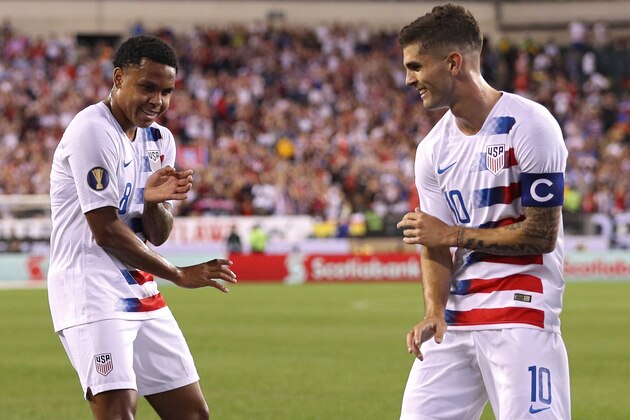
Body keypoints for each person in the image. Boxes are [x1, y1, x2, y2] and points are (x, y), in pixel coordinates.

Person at [48, 35, 237, 420]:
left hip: (139, 286)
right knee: (118, 413)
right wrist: (178, 274)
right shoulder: (92, 131)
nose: (158, 100)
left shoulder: (159, 139)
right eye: (147, 87)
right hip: (91, 290)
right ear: (118, 78)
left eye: (166, 91)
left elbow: (158, 233)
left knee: (192, 414)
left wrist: (153, 203)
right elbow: (105, 229)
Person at [395, 4, 570, 419]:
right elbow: (431, 242)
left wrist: (453, 235)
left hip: (520, 313)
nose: (408, 79)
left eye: (416, 65)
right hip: (455, 322)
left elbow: (541, 234)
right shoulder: (432, 150)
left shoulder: (530, 125)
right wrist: (433, 312)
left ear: (453, 63)